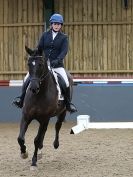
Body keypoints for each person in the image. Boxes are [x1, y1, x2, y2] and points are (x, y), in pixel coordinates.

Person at [13, 13, 77, 113]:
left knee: (66, 81)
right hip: (43, 65)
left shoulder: (64, 38)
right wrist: (34, 54)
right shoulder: (45, 35)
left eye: (59, 24)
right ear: (51, 24)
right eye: (55, 24)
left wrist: (58, 60)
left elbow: (64, 51)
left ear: (61, 25)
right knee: (27, 78)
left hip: (57, 66)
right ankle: (21, 99)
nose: (57, 25)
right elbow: (39, 48)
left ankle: (68, 104)